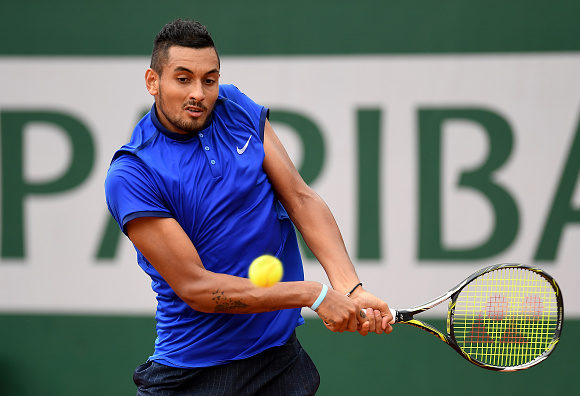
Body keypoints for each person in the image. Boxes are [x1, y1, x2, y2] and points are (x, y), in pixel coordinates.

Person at [104, 18, 393, 395]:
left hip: (278, 362)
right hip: (195, 375)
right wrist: (312, 294)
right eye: (183, 78)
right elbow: (197, 288)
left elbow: (299, 197)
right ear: (152, 81)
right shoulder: (133, 174)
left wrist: (350, 288)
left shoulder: (235, 107)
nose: (199, 93)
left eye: (210, 79)